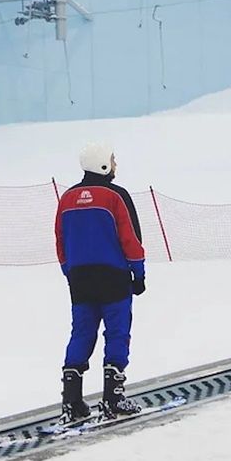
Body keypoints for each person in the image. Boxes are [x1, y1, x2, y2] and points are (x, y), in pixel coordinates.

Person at [54, 143, 146, 423]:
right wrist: (138, 272)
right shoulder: (116, 196)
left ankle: (71, 401)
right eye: (112, 160)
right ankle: (113, 398)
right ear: (102, 165)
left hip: (80, 279)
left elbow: (60, 240)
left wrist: (69, 270)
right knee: (117, 332)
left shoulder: (67, 199)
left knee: (81, 332)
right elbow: (131, 237)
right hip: (113, 276)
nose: (115, 164)